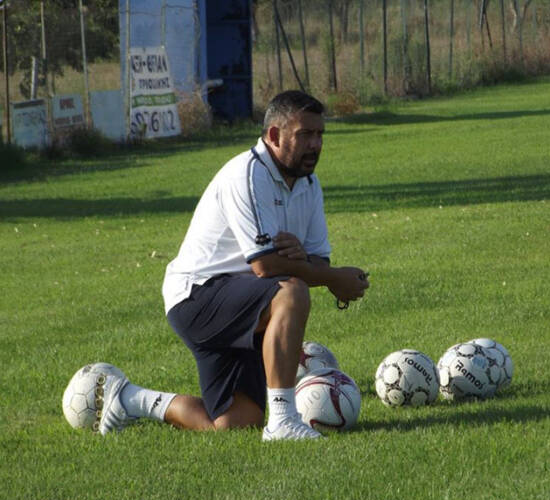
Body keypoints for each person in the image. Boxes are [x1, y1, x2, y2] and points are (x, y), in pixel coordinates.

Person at [97, 90, 369, 441]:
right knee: (291, 293)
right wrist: (333, 279)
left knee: (237, 421)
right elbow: (266, 266)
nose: (315, 144)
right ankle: (283, 421)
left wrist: (305, 260)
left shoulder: (309, 184)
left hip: (243, 301)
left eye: (320, 135)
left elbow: (317, 259)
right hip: (197, 296)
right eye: (305, 134)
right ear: (274, 135)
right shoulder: (249, 174)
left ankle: (130, 398)